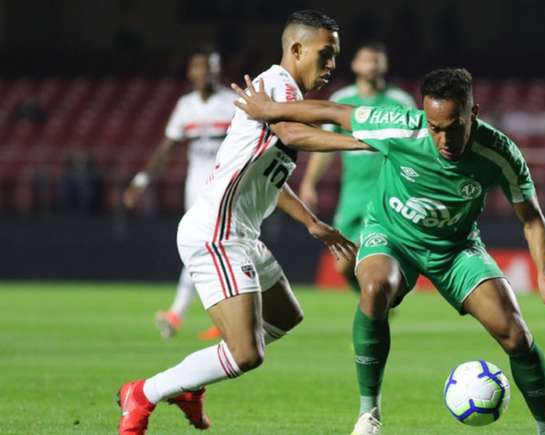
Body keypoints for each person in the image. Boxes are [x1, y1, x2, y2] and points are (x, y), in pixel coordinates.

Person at [233, 67, 545, 435]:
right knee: (373, 289)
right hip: (391, 235)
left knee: (515, 334)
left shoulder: (499, 153)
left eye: (453, 126)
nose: (443, 138)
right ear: (424, 116)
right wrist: (269, 110)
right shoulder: (400, 125)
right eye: (435, 127)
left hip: (455, 249)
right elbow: (336, 113)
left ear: (473, 114)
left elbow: (531, 218)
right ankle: (369, 413)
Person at [117, 10, 370, 434]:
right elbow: (292, 135)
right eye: (325, 55)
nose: (331, 66)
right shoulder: (273, 86)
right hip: (217, 232)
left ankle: (191, 383)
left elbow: (271, 176)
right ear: (296, 49)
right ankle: (144, 393)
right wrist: (364, 142)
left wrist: (311, 222)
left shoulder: (284, 96)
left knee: (286, 316)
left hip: (241, 234)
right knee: (247, 354)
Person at [123, 46, 236, 341]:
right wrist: (142, 179)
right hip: (196, 187)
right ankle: (224, 317)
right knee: (207, 249)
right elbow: (167, 147)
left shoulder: (233, 103)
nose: (204, 73)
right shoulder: (186, 106)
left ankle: (180, 313)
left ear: (218, 71)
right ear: (190, 72)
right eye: (199, 67)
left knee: (214, 248)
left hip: (227, 185)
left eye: (210, 67)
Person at [299, 41, 415, 292]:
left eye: (376, 60)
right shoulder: (342, 99)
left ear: (384, 65)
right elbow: (325, 146)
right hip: (352, 194)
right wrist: (309, 183)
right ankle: (375, 296)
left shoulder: (399, 100)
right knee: (343, 265)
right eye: (366, 59)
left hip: (388, 193)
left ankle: (380, 297)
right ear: (354, 65)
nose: (371, 65)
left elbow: (414, 147)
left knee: (381, 256)